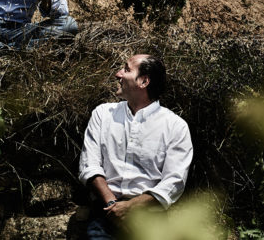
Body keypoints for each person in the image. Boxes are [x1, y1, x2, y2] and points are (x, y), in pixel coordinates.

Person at [78, 54, 193, 239]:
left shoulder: (175, 126)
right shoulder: (103, 114)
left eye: (126, 69)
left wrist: (131, 207)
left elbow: (174, 182)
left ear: (144, 81)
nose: (118, 74)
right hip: (104, 214)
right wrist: (113, 207)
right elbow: (89, 165)